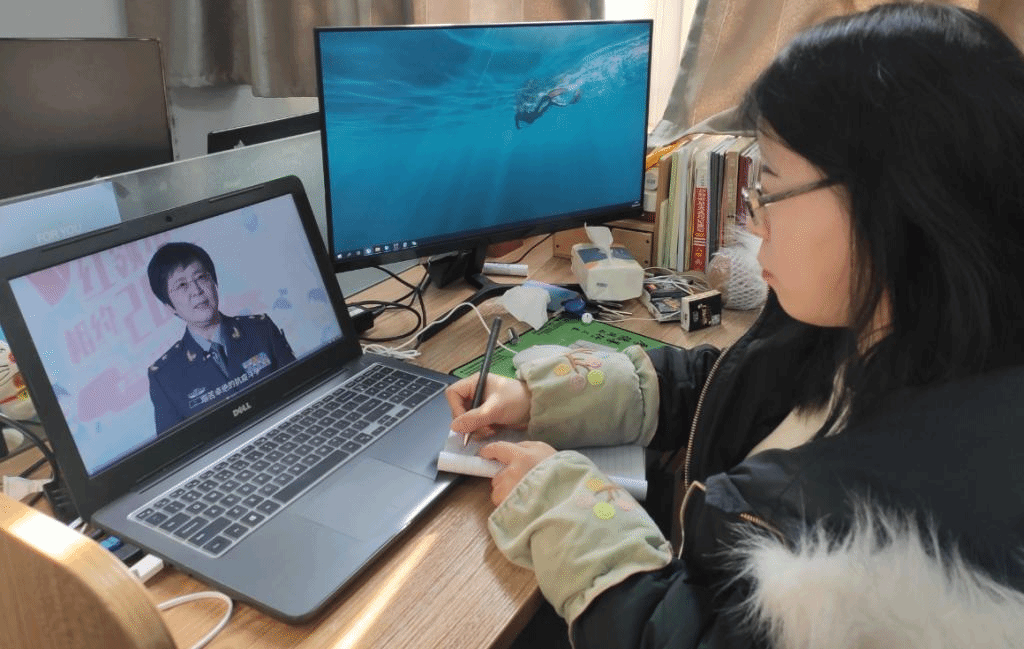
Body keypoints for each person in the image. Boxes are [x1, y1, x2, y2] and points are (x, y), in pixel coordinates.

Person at [446, 4, 1024, 647]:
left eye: (768, 188)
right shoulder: (897, 324)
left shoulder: (841, 554)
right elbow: (735, 382)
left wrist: (559, 503)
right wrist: (544, 396)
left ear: (892, 206)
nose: (752, 219)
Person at [147, 242, 296, 434]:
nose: (197, 290)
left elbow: (299, 387)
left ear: (214, 282)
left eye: (201, 277)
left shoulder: (261, 329)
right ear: (169, 306)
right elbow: (177, 445)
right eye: (182, 285)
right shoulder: (164, 375)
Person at [515, 78, 582, 129]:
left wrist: (518, 125)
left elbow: (517, 118)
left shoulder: (522, 115)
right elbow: (540, 106)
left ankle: (571, 95)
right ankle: (572, 95)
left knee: (549, 101)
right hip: (536, 112)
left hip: (536, 111)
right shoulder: (529, 115)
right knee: (549, 101)